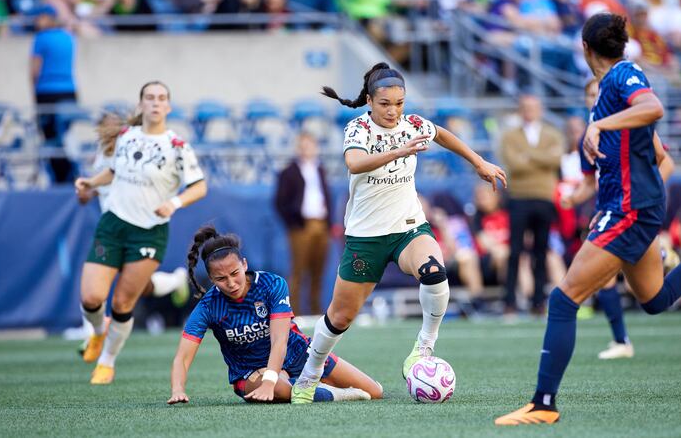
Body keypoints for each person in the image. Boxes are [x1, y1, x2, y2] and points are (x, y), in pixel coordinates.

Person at [495, 13, 681, 426]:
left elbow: (653, 109)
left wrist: (606, 138)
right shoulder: (599, 110)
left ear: (585, 49)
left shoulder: (622, 76)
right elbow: (608, 168)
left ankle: (543, 404)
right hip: (625, 209)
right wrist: (587, 194)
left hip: (630, 211)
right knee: (655, 299)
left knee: (563, 299)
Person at [290, 62, 507, 403]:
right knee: (340, 317)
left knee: (434, 271)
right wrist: (399, 151)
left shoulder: (413, 124)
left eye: (399, 103)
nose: (393, 111)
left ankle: (422, 349)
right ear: (369, 101)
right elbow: (354, 163)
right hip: (366, 237)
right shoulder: (358, 129)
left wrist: (478, 161)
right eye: (385, 104)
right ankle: (309, 375)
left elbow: (442, 133)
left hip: (408, 228)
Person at [74, 81, 208, 385]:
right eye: (150, 97)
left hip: (149, 232)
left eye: (161, 98)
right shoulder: (126, 136)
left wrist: (174, 203)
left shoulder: (177, 145)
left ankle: (107, 361)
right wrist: (90, 183)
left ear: (168, 106)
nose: (155, 103)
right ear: (141, 104)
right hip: (113, 225)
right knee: (91, 297)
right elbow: (114, 171)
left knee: (123, 302)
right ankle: (98, 332)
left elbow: (199, 186)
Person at [168, 226, 382, 404]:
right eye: (221, 279)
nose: (231, 283)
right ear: (211, 279)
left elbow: (279, 339)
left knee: (374, 392)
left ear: (244, 265)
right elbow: (183, 357)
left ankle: (298, 382)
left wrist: (270, 380)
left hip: (299, 354)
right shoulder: (208, 306)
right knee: (281, 389)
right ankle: (336, 394)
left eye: (235, 273)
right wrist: (178, 390)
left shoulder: (272, 284)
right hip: (250, 371)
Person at [562, 78, 675, 360]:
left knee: (644, 293)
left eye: (597, 93)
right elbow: (589, 183)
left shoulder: (632, 125)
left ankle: (662, 254)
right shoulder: (587, 136)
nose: (594, 98)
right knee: (618, 283)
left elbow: (666, 162)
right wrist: (572, 199)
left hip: (636, 210)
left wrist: (644, 196)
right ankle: (621, 340)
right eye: (589, 94)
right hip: (611, 211)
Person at [500, 93, 564, 316]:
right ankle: (510, 301)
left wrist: (527, 155)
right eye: (525, 107)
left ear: (540, 109)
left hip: (544, 198)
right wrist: (541, 158)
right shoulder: (510, 136)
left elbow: (556, 160)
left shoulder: (552, 134)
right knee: (515, 251)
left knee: (541, 251)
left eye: (533, 107)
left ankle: (538, 301)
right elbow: (513, 164)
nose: (529, 111)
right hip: (518, 197)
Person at [274, 132, 332, 316]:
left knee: (318, 270)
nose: (307, 149)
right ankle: (294, 312)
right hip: (301, 226)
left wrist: (328, 223)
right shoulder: (289, 172)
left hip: (321, 224)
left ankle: (316, 311)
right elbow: (280, 202)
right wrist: (294, 222)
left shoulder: (320, 169)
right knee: (298, 270)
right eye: (303, 145)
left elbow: (326, 196)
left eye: (310, 145)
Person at [30, 3, 77, 183]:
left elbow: (34, 69)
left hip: (47, 92)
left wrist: (34, 91)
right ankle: (71, 173)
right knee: (64, 135)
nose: (36, 21)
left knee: (50, 137)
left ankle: (60, 178)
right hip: (69, 92)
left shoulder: (41, 38)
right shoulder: (68, 37)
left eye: (39, 17)